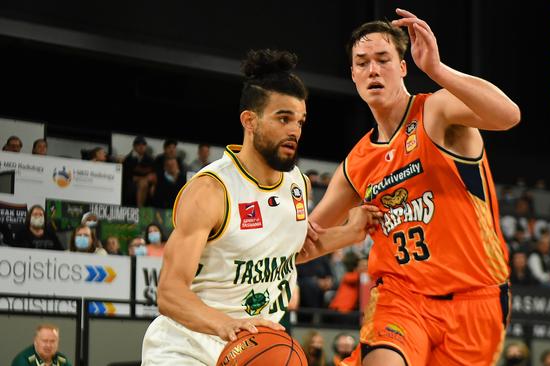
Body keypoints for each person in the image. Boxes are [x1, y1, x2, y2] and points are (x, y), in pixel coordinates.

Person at [300, 9, 520, 366]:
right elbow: (305, 244)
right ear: (353, 75)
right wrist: (349, 233)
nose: (373, 70)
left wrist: (437, 69)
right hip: (401, 298)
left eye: (383, 60)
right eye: (362, 63)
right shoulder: (355, 165)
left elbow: (508, 115)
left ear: (403, 67)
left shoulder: (437, 111)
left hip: (476, 299)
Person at [141, 49, 379, 365]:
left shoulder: (298, 184)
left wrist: (353, 232)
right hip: (189, 344)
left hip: (255, 342)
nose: (294, 130)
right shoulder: (211, 190)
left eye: (300, 121)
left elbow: (287, 252)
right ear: (249, 121)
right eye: (283, 118)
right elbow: (169, 293)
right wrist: (226, 325)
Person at [122, 135, 156, 207]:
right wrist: (142, 179)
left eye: (143, 144)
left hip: (147, 183)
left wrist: (154, 184)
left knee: (145, 183)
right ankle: (140, 208)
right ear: (134, 146)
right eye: (138, 144)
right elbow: (126, 176)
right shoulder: (128, 159)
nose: (141, 147)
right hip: (131, 184)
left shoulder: (150, 160)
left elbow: (154, 175)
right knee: (143, 183)